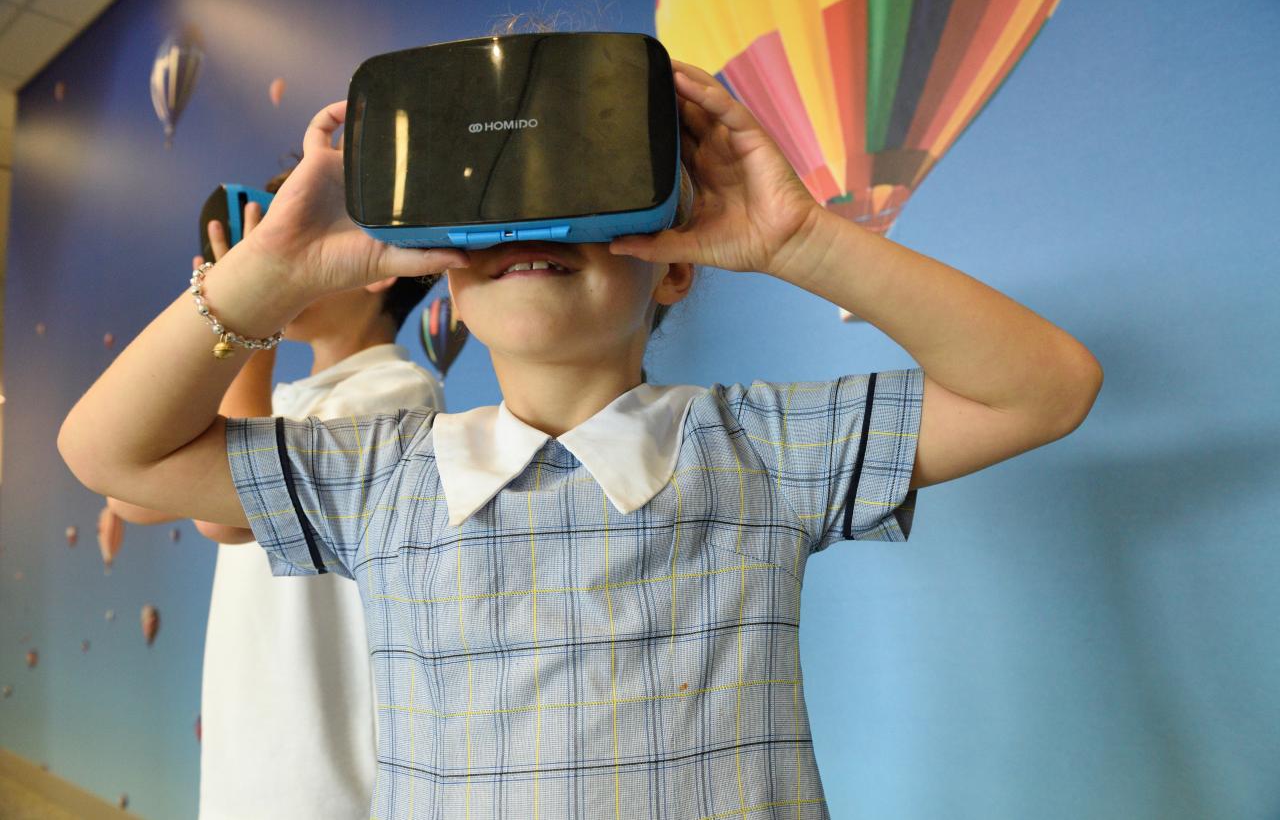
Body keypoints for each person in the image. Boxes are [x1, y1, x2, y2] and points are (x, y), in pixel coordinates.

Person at [60, 58, 1102, 818]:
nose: (532, 230)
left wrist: (797, 240)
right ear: (446, 271)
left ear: (677, 261)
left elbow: (1044, 389)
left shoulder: (759, 449)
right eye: (489, 210)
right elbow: (112, 456)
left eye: (577, 198)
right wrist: (270, 273)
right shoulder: (379, 474)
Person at [106, 167, 443, 819]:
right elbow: (128, 493)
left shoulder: (399, 400)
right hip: (246, 769)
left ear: (374, 266)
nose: (272, 255)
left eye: (300, 234)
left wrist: (248, 321)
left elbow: (228, 521)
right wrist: (212, 317)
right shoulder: (280, 404)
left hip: (323, 783)